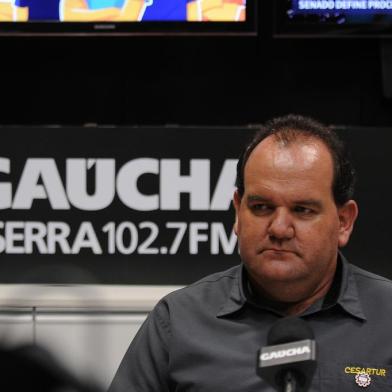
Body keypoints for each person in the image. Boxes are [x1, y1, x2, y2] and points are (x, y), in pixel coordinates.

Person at [108, 114, 392, 391]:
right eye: (261, 207)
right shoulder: (178, 322)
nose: (280, 229)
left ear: (343, 222)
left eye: (302, 210)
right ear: (238, 213)